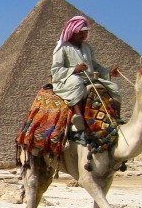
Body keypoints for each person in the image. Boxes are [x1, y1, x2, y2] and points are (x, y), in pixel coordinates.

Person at [51, 15, 121, 144]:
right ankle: (78, 117)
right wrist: (74, 69)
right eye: (81, 32)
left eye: (85, 32)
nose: (83, 35)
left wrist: (108, 73)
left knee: (114, 88)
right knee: (77, 83)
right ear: (73, 31)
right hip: (67, 80)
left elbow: (95, 66)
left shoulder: (87, 47)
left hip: (89, 78)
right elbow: (55, 70)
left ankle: (116, 118)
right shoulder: (62, 48)